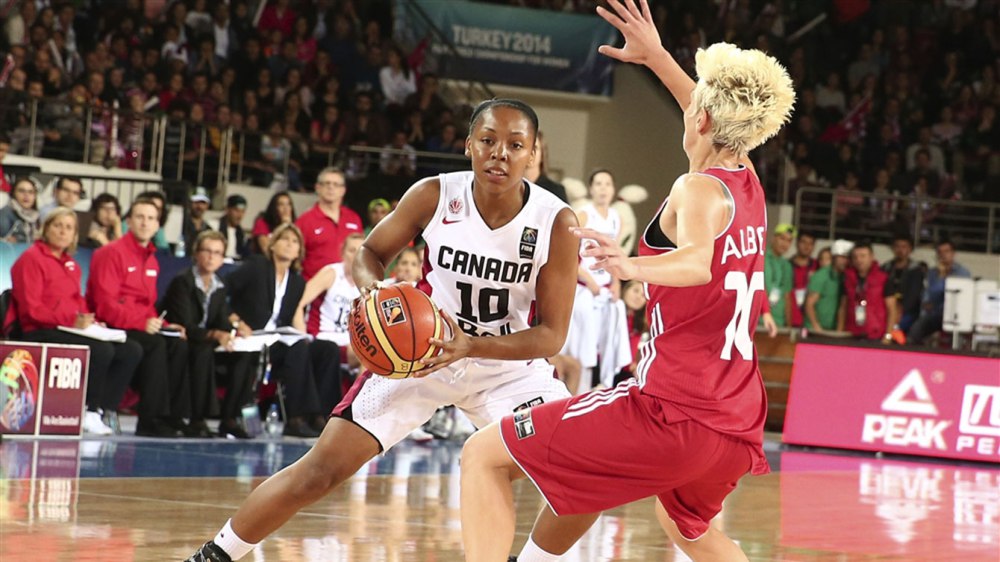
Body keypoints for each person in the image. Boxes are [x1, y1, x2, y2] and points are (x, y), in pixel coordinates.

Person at [458, 3, 795, 561]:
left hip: (673, 412)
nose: (690, 107)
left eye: (697, 106)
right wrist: (657, 57)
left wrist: (630, 264)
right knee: (686, 527)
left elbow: (697, 263)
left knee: (484, 454)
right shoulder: (748, 181)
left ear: (703, 122)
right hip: (734, 422)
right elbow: (704, 108)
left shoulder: (696, 188)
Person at [184, 98, 579, 562]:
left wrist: (471, 345)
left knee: (579, 469)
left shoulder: (556, 221)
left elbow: (552, 335)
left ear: (532, 154)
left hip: (504, 364)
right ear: (468, 144)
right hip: (420, 352)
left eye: (515, 145)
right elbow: (368, 254)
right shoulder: (434, 194)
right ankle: (213, 555)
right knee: (320, 471)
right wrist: (375, 292)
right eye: (488, 140)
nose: (500, 154)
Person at [5, 208, 142, 435]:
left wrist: (91, 321)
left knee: (131, 350)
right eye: (57, 225)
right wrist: (72, 321)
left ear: (75, 235)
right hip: (38, 329)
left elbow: (77, 302)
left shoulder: (72, 265)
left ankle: (103, 410)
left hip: (68, 327)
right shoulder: (31, 259)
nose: (63, 231)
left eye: (69, 228)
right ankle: (88, 410)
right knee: (102, 350)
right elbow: (32, 310)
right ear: (46, 229)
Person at [86, 197, 190, 437]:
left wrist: (165, 325)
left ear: (157, 226)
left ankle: (173, 416)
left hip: (137, 325)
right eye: (140, 217)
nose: (145, 223)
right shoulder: (110, 253)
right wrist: (141, 323)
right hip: (110, 325)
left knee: (178, 343)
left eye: (151, 218)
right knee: (155, 344)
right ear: (129, 221)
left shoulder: (152, 260)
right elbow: (104, 305)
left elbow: (147, 306)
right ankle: (149, 419)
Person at [224, 223, 323, 438]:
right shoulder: (257, 266)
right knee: (254, 357)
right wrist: (235, 321)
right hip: (248, 336)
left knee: (309, 348)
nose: (289, 244)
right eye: (284, 239)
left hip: (275, 341)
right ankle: (232, 418)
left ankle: (304, 417)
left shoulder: (297, 282)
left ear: (299, 251)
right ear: (272, 244)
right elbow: (222, 288)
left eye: (294, 242)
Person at [163, 230, 258, 438]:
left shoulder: (219, 285)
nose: (211, 257)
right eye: (207, 251)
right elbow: (186, 325)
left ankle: (230, 418)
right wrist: (216, 335)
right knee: (203, 350)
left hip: (205, 339)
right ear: (196, 253)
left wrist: (236, 328)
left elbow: (222, 318)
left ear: (223, 259)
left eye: (217, 253)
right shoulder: (183, 282)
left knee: (244, 355)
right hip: (183, 341)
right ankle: (197, 418)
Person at [294, 233, 363, 411]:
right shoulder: (331, 273)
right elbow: (298, 303)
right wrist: (301, 337)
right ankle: (349, 410)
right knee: (367, 356)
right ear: (342, 252)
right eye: (351, 250)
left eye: (360, 251)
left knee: (374, 353)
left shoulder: (364, 282)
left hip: (350, 342)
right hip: (324, 338)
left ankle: (357, 410)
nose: (355, 256)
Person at [295, 167, 363, 280]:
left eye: (336, 184)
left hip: (348, 285)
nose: (331, 187)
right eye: (327, 183)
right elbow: (296, 257)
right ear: (318, 188)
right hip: (314, 285)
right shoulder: (305, 220)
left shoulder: (354, 218)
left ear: (343, 190)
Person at [907, 239, 970, 346]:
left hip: (954, 316)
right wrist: (926, 303)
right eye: (940, 252)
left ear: (953, 253)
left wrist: (941, 277)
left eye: (946, 251)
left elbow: (958, 296)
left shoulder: (962, 273)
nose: (943, 255)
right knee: (915, 331)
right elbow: (928, 294)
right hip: (935, 314)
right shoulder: (932, 273)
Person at [842, 241, 891, 341]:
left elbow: (892, 309)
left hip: (876, 334)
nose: (859, 260)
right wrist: (840, 332)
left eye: (863, 256)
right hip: (851, 332)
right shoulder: (847, 279)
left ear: (871, 257)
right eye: (855, 257)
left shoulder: (883, 278)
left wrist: (888, 336)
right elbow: (843, 307)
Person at [881, 235, 924, 343]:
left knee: (898, 326)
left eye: (904, 247)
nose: (900, 250)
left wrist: (900, 310)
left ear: (910, 249)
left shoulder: (916, 270)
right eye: (897, 246)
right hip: (887, 308)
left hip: (908, 312)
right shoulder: (886, 268)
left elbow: (914, 295)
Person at [805, 239, 852, 334]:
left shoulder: (846, 277)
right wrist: (816, 327)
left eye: (847, 258)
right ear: (834, 257)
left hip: (833, 331)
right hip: (815, 331)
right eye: (842, 257)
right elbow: (809, 304)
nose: (845, 261)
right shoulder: (821, 275)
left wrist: (838, 332)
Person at [523, 130, 568, 203]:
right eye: (525, 147)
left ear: (542, 154)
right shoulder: (508, 188)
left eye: (535, 148)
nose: (530, 153)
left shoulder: (555, 190)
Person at [764, 223, 794, 327]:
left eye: (789, 241)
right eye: (782, 238)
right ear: (774, 238)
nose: (785, 244)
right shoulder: (761, 257)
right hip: (759, 319)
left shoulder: (787, 266)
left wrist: (788, 326)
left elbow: (787, 297)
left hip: (779, 322)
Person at [250, 191, 296, 256]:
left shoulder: (294, 226)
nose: (286, 208)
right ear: (274, 207)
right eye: (281, 204)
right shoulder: (262, 223)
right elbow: (267, 250)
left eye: (289, 204)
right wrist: (283, 226)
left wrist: (288, 226)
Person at [788, 231, 818, 327]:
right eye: (803, 242)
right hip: (790, 318)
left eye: (810, 243)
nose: (807, 246)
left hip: (811, 321)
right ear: (797, 243)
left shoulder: (818, 266)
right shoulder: (786, 265)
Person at [0, 177, 41, 242]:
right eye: (21, 191)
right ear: (13, 193)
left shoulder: (35, 216)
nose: (26, 195)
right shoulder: (5, 214)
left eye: (30, 192)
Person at [182, 187, 214, 255]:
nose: (199, 206)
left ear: (207, 205)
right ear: (189, 203)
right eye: (196, 202)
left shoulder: (209, 230)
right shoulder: (181, 224)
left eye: (203, 203)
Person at [219, 194, 249, 260]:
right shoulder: (214, 226)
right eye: (236, 210)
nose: (240, 215)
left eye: (243, 211)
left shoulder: (241, 233)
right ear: (227, 209)